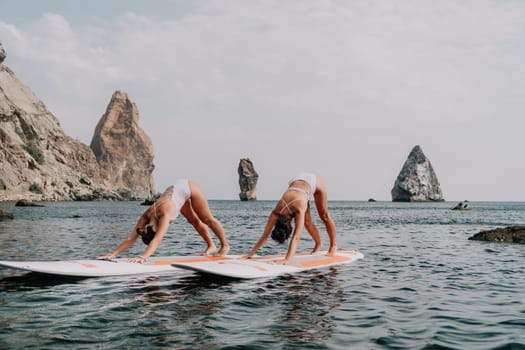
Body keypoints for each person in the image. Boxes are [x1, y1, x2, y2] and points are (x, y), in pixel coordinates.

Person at [99, 179, 229, 263]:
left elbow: (157, 239)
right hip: (175, 192)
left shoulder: (165, 214)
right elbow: (131, 238)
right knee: (194, 222)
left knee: (206, 219)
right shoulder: (146, 216)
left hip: (188, 187)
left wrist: (143, 257)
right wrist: (113, 254)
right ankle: (211, 245)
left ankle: (224, 246)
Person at [245, 173, 337, 265]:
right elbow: (264, 236)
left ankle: (333, 245)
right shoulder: (275, 213)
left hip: (313, 182)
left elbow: (296, 237)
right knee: (307, 222)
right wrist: (250, 254)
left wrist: (287, 259)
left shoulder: (298, 210)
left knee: (324, 216)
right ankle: (319, 244)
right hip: (297, 183)